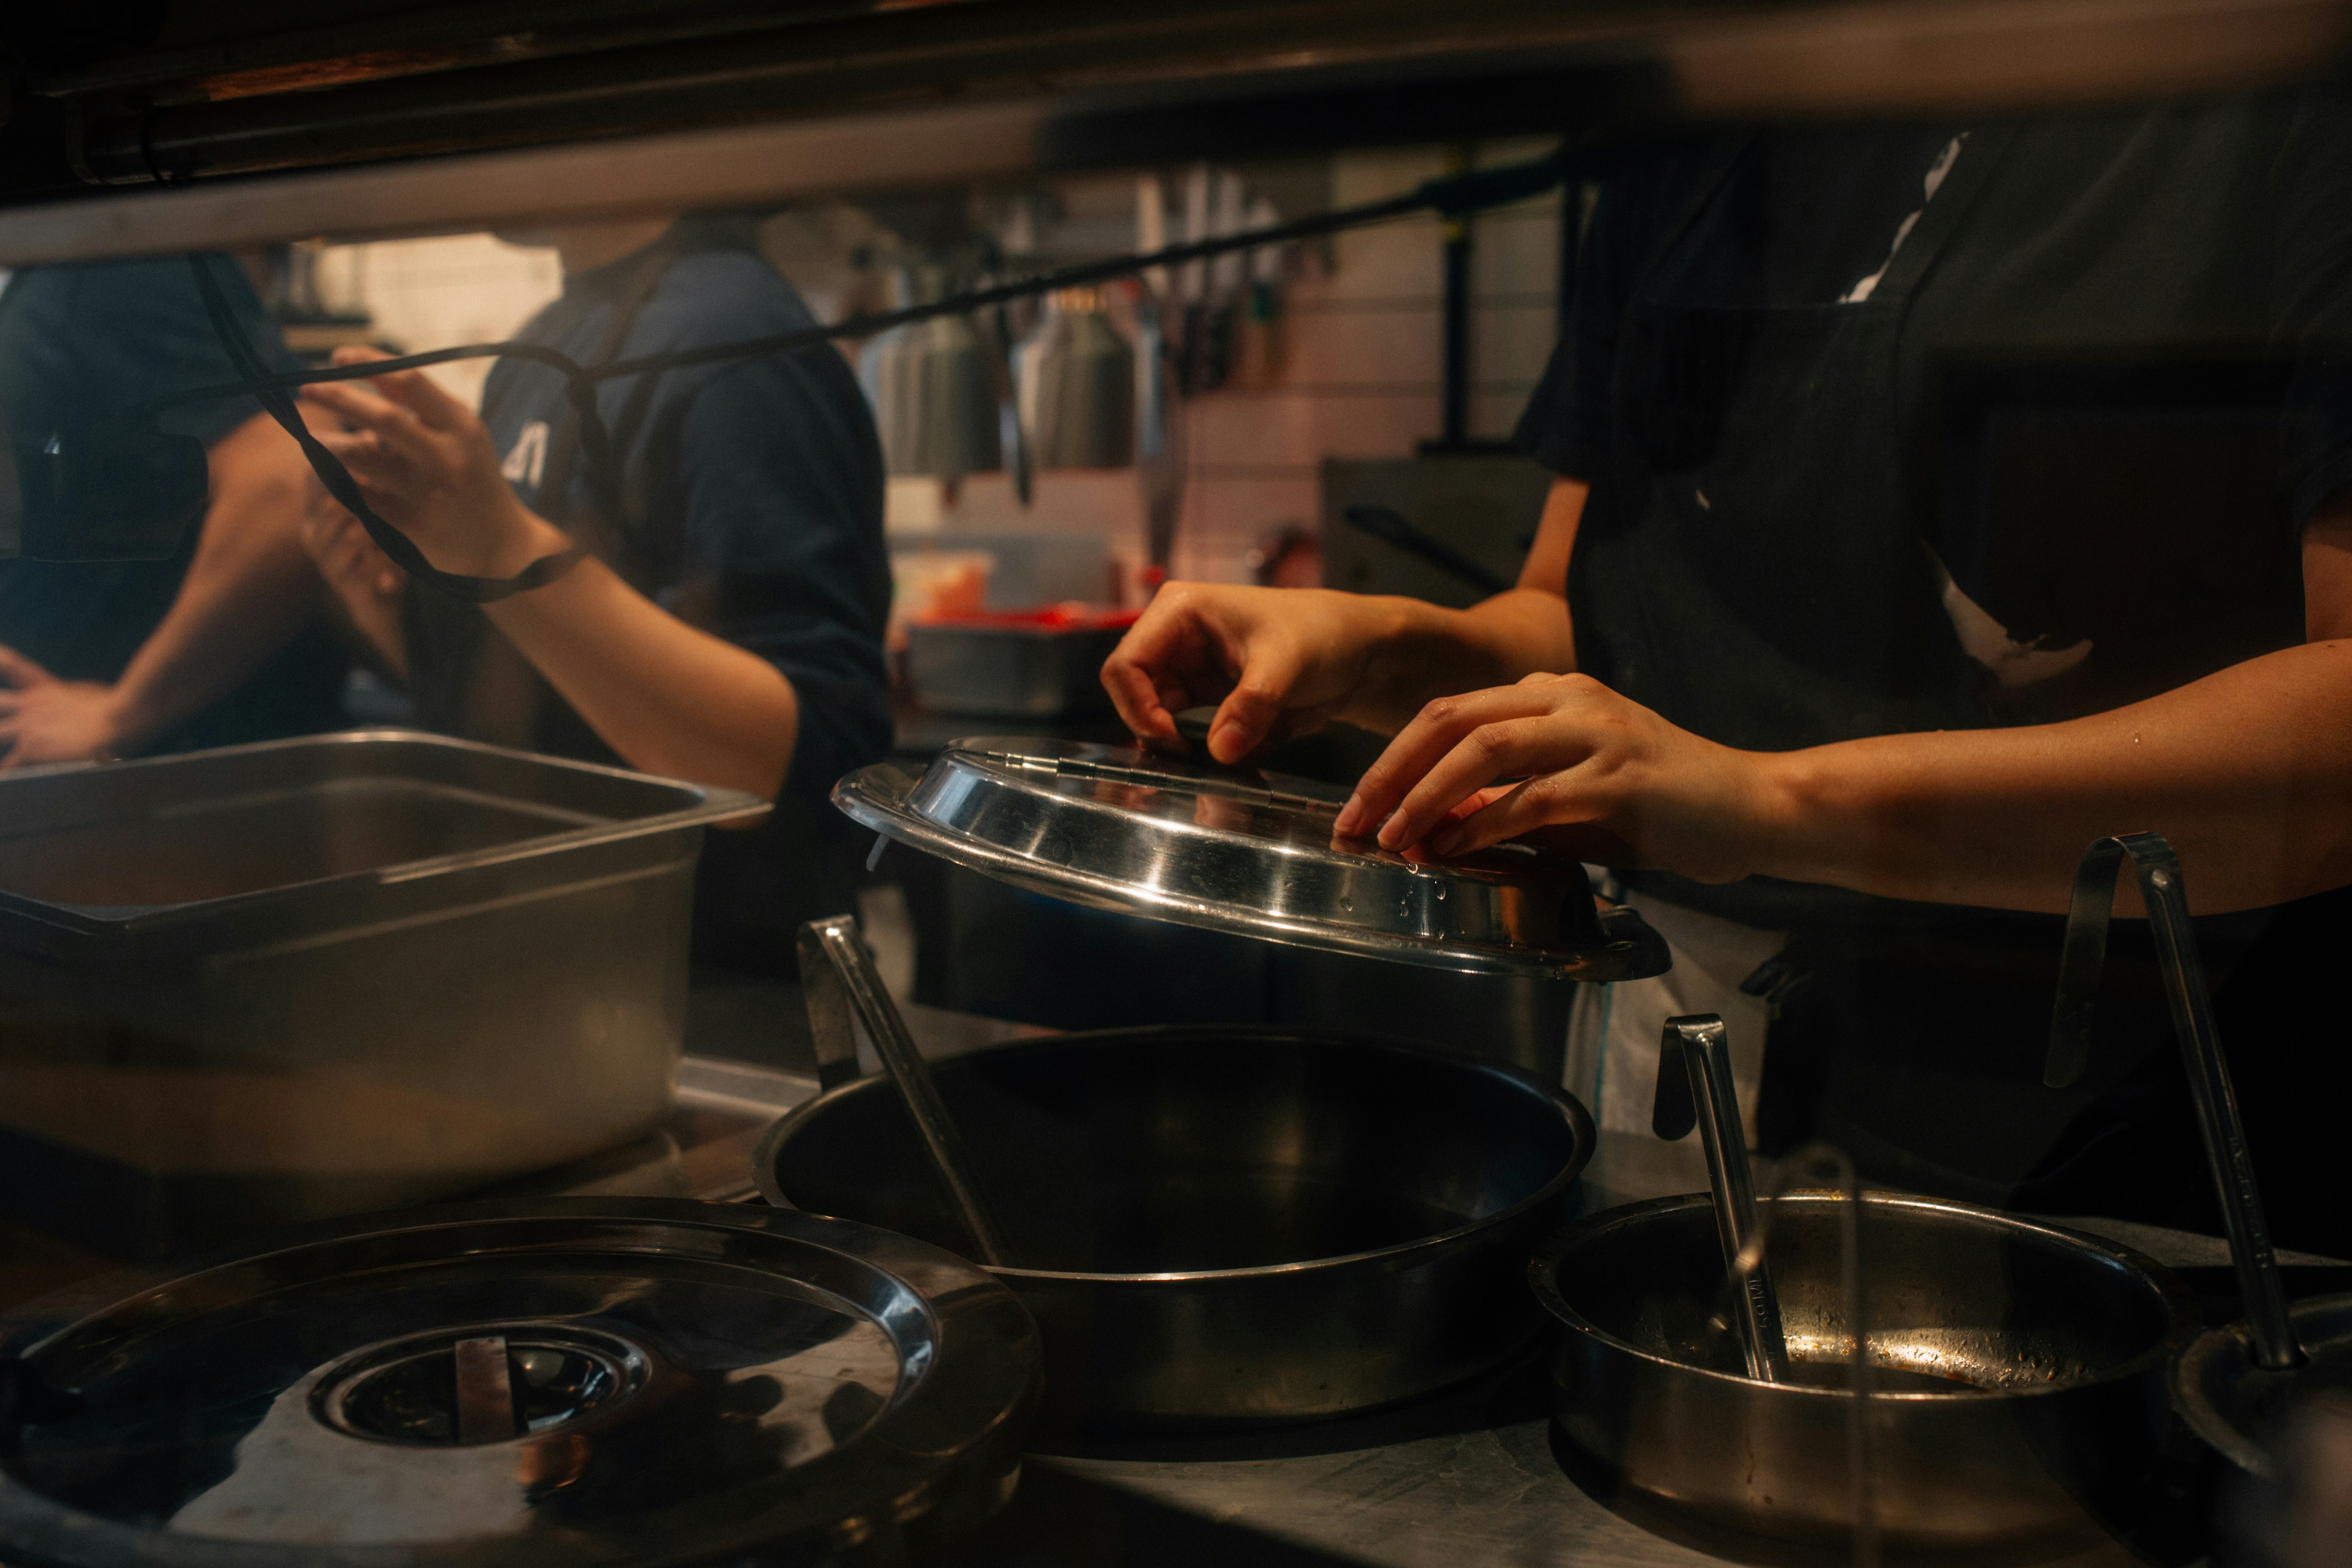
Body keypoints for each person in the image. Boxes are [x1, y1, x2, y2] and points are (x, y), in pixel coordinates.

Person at [1102, 97, 2352, 1259]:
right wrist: (1385, 646)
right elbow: (1597, 612)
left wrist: (1760, 804)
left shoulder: (2269, 87)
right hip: (1675, 1048)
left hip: (2104, 1106)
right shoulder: (1707, 125)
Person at [298, 214, 892, 975]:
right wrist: (386, 604)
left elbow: (807, 766)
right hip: (557, 970)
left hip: (718, 991)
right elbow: (527, 717)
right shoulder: (543, 343)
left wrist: (503, 552)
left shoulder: (733, 342)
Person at [0, 255, 346, 764]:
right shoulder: (48, 269)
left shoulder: (114, 263)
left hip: (140, 779)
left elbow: (291, 481)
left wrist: (120, 718)